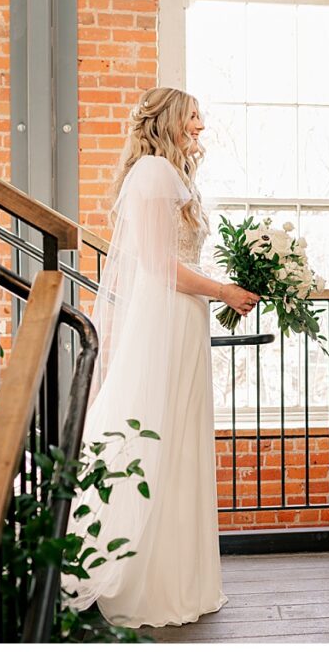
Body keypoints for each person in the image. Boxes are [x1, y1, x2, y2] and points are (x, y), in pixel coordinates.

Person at [62, 87, 260, 627]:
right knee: (155, 432)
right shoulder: (152, 173)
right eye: (194, 115)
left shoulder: (171, 175)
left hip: (183, 318)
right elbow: (158, 264)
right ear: (170, 120)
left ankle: (180, 574)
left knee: (178, 437)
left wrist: (220, 290)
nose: (201, 124)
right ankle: (142, 575)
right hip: (167, 317)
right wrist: (222, 291)